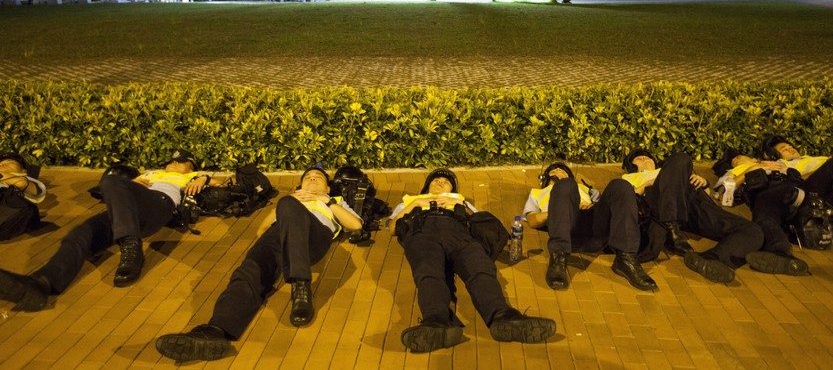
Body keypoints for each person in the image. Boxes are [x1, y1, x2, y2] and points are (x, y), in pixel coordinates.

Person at [156, 166, 362, 362]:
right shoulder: (290, 200)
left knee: (289, 206)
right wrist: (288, 202)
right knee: (248, 273)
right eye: (307, 177)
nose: (312, 178)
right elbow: (262, 231)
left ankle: (301, 286)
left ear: (328, 187)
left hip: (313, 237)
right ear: (299, 186)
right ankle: (216, 330)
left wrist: (325, 201)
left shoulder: (334, 200)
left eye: (318, 177)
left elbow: (355, 225)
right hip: (278, 236)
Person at [0, 149, 212, 311]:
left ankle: (130, 244)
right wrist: (131, 183)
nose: (174, 162)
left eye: (181, 161)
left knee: (112, 180)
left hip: (158, 204)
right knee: (81, 234)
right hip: (127, 210)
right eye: (172, 160)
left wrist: (204, 178)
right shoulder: (151, 173)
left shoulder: (195, 176)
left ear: (191, 167)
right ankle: (42, 284)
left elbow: (226, 182)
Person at [390, 168, 556, 353]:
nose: (439, 182)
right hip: (422, 234)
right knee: (429, 273)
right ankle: (436, 321)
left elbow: (478, 222)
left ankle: (503, 316)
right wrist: (416, 203)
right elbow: (392, 227)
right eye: (435, 180)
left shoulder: (460, 200)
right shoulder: (410, 200)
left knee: (480, 269)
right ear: (427, 186)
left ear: (452, 188)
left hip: (458, 234)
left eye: (445, 181)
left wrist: (459, 203)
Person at [621, 149, 763, 283]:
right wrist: (648, 184)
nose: (644, 159)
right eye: (639, 158)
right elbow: (630, 201)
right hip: (659, 203)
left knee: (752, 230)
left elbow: (712, 198)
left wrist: (704, 185)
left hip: (691, 203)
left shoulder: (670, 170)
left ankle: (711, 259)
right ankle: (671, 225)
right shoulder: (629, 178)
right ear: (631, 166)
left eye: (647, 157)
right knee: (681, 158)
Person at [523, 162, 656, 291]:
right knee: (565, 185)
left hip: (595, 227)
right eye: (554, 170)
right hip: (568, 228)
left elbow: (610, 206)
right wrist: (559, 210)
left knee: (620, 185)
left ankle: (626, 258)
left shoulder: (586, 189)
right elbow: (532, 220)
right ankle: (558, 259)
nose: (558, 171)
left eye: (562, 170)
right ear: (545, 179)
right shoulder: (537, 193)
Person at [712, 149, 811, 275]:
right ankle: (783, 257)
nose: (734, 161)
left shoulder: (780, 164)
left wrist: (784, 170)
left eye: (738, 157)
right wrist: (751, 170)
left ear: (753, 158)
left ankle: (794, 195)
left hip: (796, 186)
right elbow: (723, 193)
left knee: (763, 214)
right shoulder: (733, 172)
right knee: (764, 217)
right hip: (768, 194)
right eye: (732, 162)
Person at [760, 135, 833, 202]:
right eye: (784, 149)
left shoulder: (808, 158)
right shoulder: (782, 164)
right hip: (809, 189)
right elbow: (791, 183)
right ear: (774, 156)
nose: (791, 149)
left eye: (791, 147)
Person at [0, 152, 47, 240]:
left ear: (23, 170)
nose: (2, 164)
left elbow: (27, 187)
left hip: (12, 210)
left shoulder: (25, 180)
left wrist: (6, 177)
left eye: (10, 162)